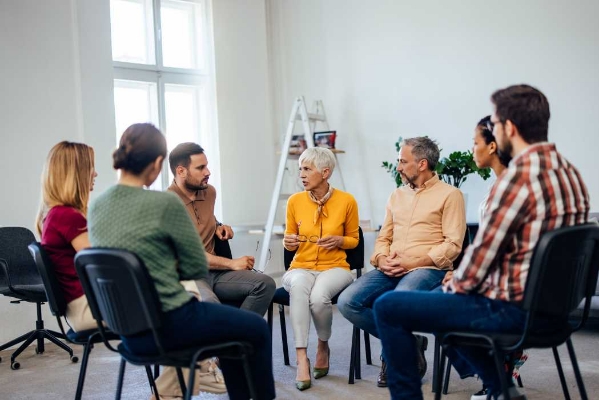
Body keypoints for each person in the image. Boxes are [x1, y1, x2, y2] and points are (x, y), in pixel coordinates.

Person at [373, 84, 590, 400]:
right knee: (443, 305)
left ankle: (495, 387)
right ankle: (502, 389)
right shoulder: (570, 173)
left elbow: (477, 265)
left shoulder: (517, 179)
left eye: (497, 124)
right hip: (559, 311)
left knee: (389, 306)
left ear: (509, 128)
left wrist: (449, 284)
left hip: (517, 311)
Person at [88, 123, 275, 400]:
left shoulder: (96, 205)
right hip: (171, 321)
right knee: (255, 328)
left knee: (235, 331)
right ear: (157, 163)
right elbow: (194, 268)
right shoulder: (164, 203)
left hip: (126, 328)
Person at [337, 136, 466, 387]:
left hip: (428, 268)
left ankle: (392, 358)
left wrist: (412, 262)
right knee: (347, 302)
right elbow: (383, 237)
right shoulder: (396, 195)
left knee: (395, 303)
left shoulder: (451, 195)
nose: (398, 167)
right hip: (391, 267)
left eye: (402, 161)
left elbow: (453, 245)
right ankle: (409, 343)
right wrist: (381, 258)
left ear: (422, 164)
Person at [282, 147, 359, 391]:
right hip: (300, 266)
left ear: (325, 173)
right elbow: (288, 236)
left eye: (307, 169)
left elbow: (354, 239)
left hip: (335, 267)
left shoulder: (347, 201)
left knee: (318, 297)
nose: (301, 175)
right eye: (300, 169)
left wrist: (339, 241)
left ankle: (322, 345)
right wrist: (288, 241)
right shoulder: (294, 201)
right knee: (299, 286)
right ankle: (301, 357)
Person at [167, 142, 275, 316]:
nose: (208, 172)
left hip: (216, 273)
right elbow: (190, 255)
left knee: (265, 284)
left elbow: (203, 218)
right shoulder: (167, 204)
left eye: (207, 166)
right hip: (188, 276)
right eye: (200, 168)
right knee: (213, 309)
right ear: (181, 171)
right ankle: (233, 339)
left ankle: (239, 338)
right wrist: (233, 264)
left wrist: (218, 226)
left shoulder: (209, 192)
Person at [37, 141, 97, 332]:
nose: (95, 173)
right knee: (177, 298)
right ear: (76, 173)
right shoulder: (67, 216)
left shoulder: (56, 214)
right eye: (90, 168)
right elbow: (101, 265)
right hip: (88, 309)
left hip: (84, 306)